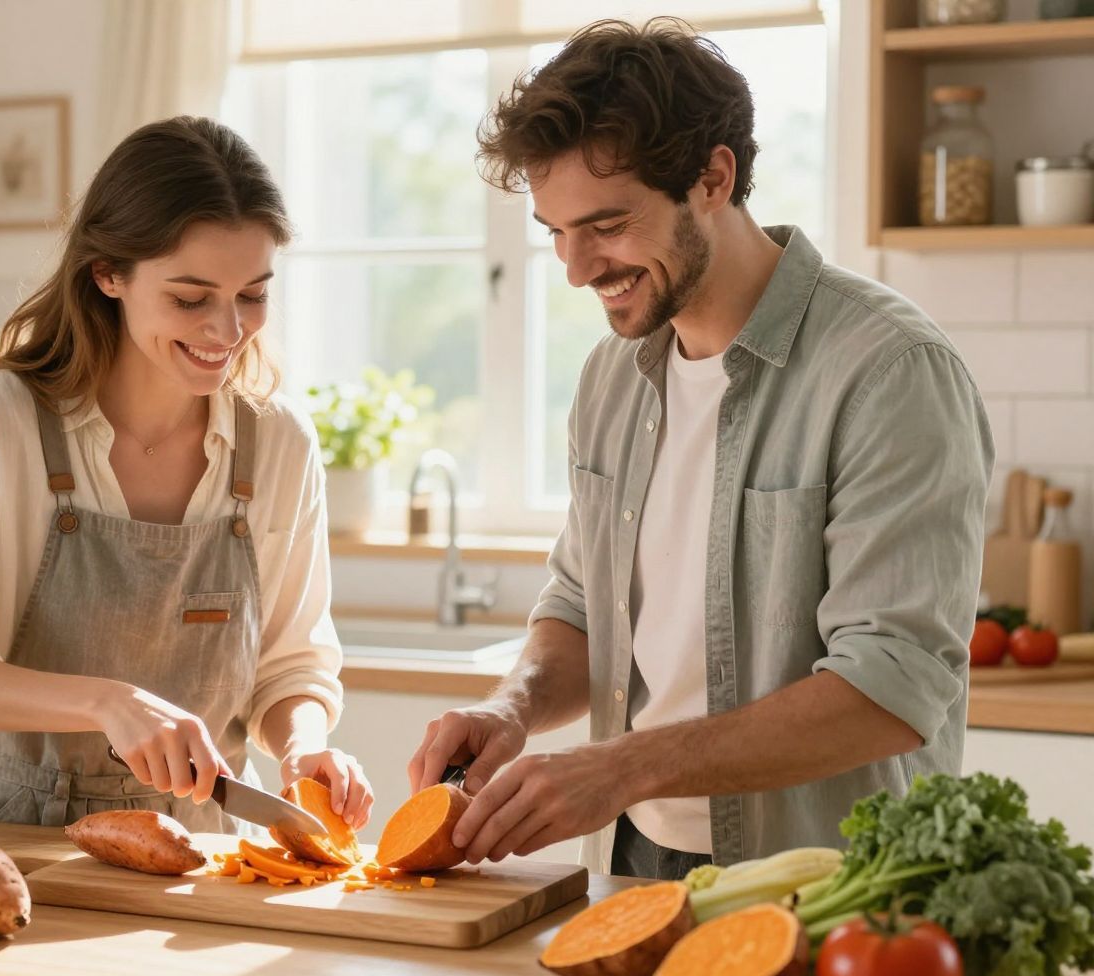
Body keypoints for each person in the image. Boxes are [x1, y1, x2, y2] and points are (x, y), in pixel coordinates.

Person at [408, 19, 993, 878]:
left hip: (825, 882)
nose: (575, 268)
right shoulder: (613, 377)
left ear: (713, 178)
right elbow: (579, 606)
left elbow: (892, 689)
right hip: (632, 857)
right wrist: (513, 708)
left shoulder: (888, 372)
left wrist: (621, 766)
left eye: (606, 225)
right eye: (555, 231)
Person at [0, 116, 372, 833]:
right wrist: (107, 702)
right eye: (191, 297)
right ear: (107, 273)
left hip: (211, 848)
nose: (228, 331)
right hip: (24, 841)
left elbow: (290, 667)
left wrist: (303, 750)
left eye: (252, 294)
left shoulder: (278, 444)